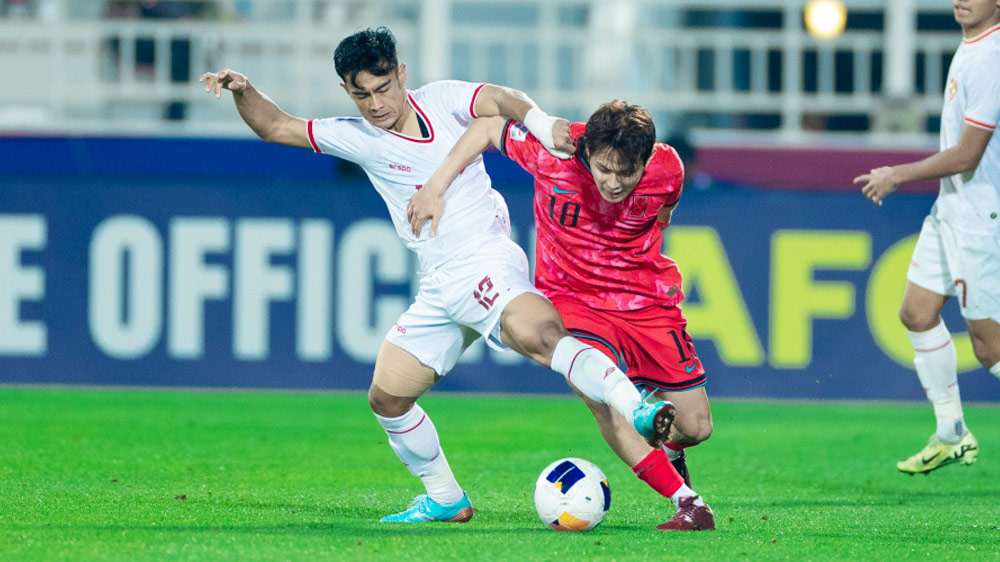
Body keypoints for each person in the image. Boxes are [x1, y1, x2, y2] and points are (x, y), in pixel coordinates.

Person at [200, 26, 676, 522]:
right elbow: (276, 127)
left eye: (383, 88)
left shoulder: (443, 100)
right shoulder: (357, 136)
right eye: (361, 93)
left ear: (401, 74)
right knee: (388, 398)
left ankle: (634, 404)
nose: (376, 103)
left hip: (486, 259)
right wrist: (244, 90)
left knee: (541, 336)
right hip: (440, 283)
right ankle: (447, 498)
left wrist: (540, 120)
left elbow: (503, 99)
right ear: (347, 90)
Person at [410, 101, 715, 531]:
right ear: (587, 150)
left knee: (696, 427)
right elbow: (487, 126)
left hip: (644, 300)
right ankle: (689, 503)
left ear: (644, 161)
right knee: (601, 397)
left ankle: (666, 444)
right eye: (602, 169)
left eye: (624, 174)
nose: (611, 183)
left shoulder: (667, 169)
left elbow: (666, 205)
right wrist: (436, 186)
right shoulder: (554, 149)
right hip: (572, 298)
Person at [853, 1, 1000, 475]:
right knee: (915, 313)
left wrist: (897, 174)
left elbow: (967, 156)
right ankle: (951, 433)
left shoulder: (993, 57)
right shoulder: (971, 46)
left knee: (988, 349)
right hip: (952, 209)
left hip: (983, 217)